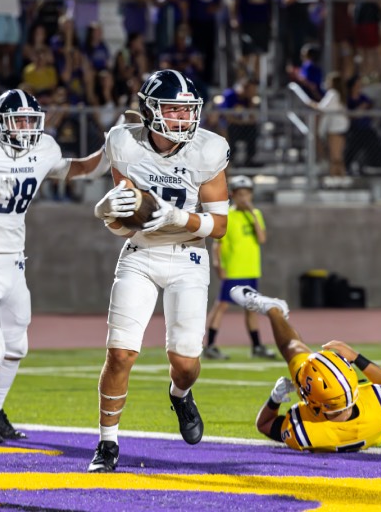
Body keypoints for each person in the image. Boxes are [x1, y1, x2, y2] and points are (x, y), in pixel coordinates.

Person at [89, 69, 230, 473]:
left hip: (188, 257)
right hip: (141, 254)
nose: (184, 119)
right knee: (120, 354)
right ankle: (108, 443)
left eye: (188, 111)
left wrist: (179, 217)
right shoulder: (125, 144)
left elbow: (219, 227)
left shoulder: (207, 149)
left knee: (185, 363)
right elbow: (124, 225)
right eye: (173, 109)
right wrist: (105, 213)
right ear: (150, 112)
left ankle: (180, 395)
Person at [0, 88, 106, 444]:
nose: (24, 127)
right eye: (17, 120)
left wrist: (112, 150)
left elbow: (79, 169)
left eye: (29, 120)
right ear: (0, 123)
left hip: (14, 263)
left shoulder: (43, 150)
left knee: (17, 347)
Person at [229, 286, 381, 452]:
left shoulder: (304, 430)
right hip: (369, 423)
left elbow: (264, 424)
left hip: (331, 419)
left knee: (293, 348)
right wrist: (355, 356)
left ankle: (274, 311)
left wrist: (274, 399)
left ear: (311, 400)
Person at [203, 175, 273, 361]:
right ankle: (209, 346)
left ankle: (257, 346)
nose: (244, 198)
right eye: (240, 194)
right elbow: (217, 244)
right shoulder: (228, 216)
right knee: (222, 306)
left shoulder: (255, 214)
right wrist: (218, 264)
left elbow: (262, 239)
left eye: (247, 194)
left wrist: (251, 213)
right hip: (234, 270)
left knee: (252, 308)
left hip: (251, 270)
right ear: (233, 195)